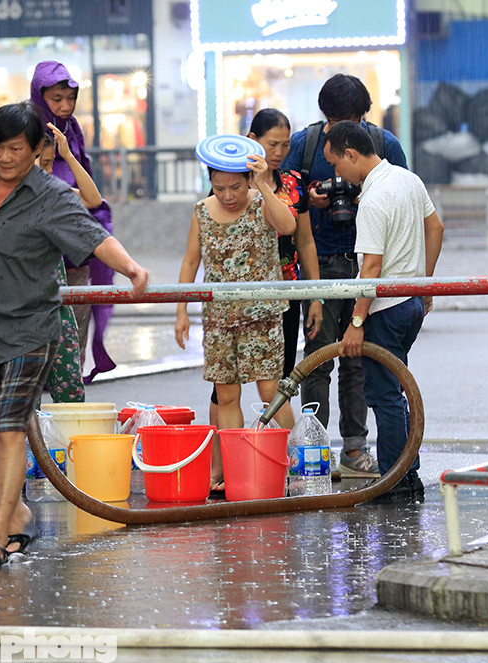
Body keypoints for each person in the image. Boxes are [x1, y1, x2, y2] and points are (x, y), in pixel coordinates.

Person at [0, 103, 147, 565]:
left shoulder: (52, 195)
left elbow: (94, 235)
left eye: (16, 148)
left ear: (37, 148)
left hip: (30, 329)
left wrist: (131, 268)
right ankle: (16, 514)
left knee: (11, 428)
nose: (5, 157)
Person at [0, 61, 117, 383]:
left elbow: (92, 201)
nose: (65, 106)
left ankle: (55, 405)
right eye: (57, 99)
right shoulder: (13, 135)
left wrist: (132, 270)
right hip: (19, 265)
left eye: (70, 99)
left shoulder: (67, 145)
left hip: (68, 256)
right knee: (16, 368)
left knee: (67, 361)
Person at [279, 74, 409, 480]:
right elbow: (283, 196)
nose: (342, 131)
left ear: (363, 117)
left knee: (358, 360)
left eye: (351, 122)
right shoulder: (305, 144)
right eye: (335, 123)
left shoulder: (383, 144)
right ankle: (314, 450)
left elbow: (405, 195)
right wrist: (308, 200)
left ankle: (354, 449)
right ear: (325, 118)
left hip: (369, 262)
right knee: (317, 360)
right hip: (320, 263)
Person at [326, 121, 443, 502]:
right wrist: (424, 283)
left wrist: (356, 321)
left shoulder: (374, 200)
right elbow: (436, 228)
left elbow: (371, 268)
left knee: (384, 395)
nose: (337, 174)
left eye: (336, 164)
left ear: (351, 154)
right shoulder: (408, 179)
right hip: (410, 302)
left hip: (386, 309)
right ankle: (408, 472)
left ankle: (395, 481)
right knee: (397, 387)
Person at [206, 110, 324, 479]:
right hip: (232, 303)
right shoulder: (230, 184)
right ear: (252, 140)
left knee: (276, 383)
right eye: (272, 144)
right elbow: (207, 242)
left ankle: (291, 464)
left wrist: (315, 294)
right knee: (223, 392)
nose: (279, 152)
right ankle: (222, 468)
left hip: (282, 294)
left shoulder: (292, 184)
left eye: (286, 145)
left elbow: (303, 239)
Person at [175, 142, 298, 491]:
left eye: (236, 187)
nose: (228, 196)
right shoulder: (201, 211)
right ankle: (235, 471)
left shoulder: (263, 203)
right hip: (219, 318)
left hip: (263, 314)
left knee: (271, 390)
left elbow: (288, 226)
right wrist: (181, 310)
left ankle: (294, 463)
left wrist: (263, 185)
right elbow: (191, 261)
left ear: (248, 181)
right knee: (226, 396)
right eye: (219, 188)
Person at [38, 123, 104, 403]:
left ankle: (66, 433)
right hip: (21, 311)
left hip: (59, 307)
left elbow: (93, 199)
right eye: (42, 163)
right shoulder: (2, 197)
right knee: (23, 398)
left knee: (70, 392)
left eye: (50, 163)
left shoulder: (53, 193)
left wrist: (67, 155)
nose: (48, 171)